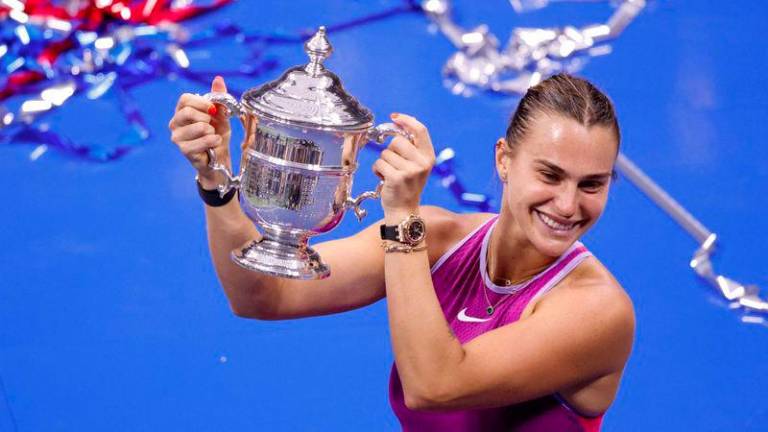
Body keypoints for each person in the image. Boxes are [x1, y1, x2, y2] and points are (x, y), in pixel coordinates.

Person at [168, 72, 635, 431]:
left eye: (592, 184)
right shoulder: (437, 239)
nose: (569, 205)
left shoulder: (598, 311)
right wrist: (216, 179)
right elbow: (263, 296)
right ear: (503, 160)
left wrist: (401, 218)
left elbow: (434, 385)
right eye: (550, 175)